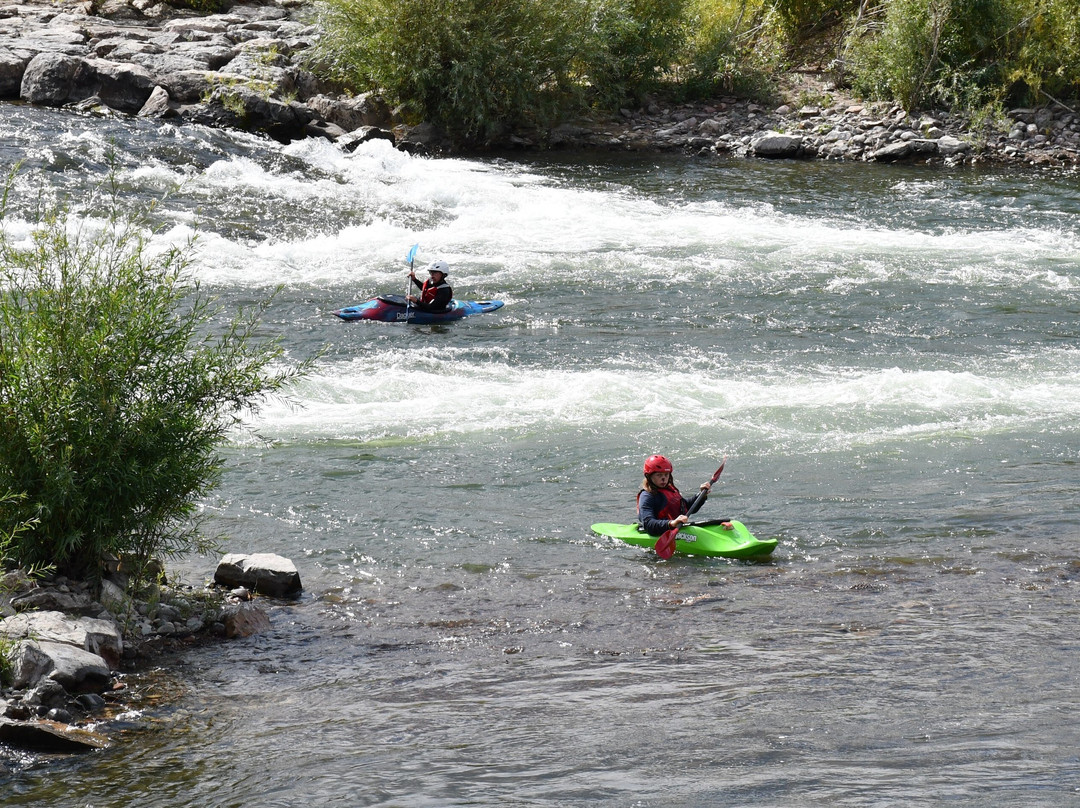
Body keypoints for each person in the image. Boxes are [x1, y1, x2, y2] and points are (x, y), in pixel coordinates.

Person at [636, 454, 715, 537]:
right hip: (660, 532)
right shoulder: (647, 496)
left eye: (666, 475)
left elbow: (686, 507)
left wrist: (702, 495)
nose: (664, 479)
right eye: (659, 475)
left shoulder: (670, 489)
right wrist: (671, 523)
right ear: (649, 476)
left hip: (677, 529)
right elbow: (648, 524)